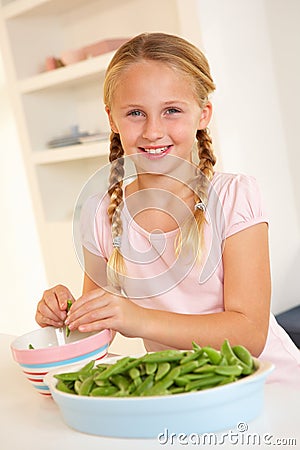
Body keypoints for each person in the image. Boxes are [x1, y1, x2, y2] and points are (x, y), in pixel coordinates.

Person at [35, 32, 300, 386]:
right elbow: (96, 332)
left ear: (203, 114)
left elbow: (249, 334)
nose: (153, 131)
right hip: (182, 395)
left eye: (172, 111)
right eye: (135, 113)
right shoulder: (101, 213)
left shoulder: (235, 197)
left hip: (273, 390)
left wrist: (137, 318)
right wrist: (67, 315)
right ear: (112, 120)